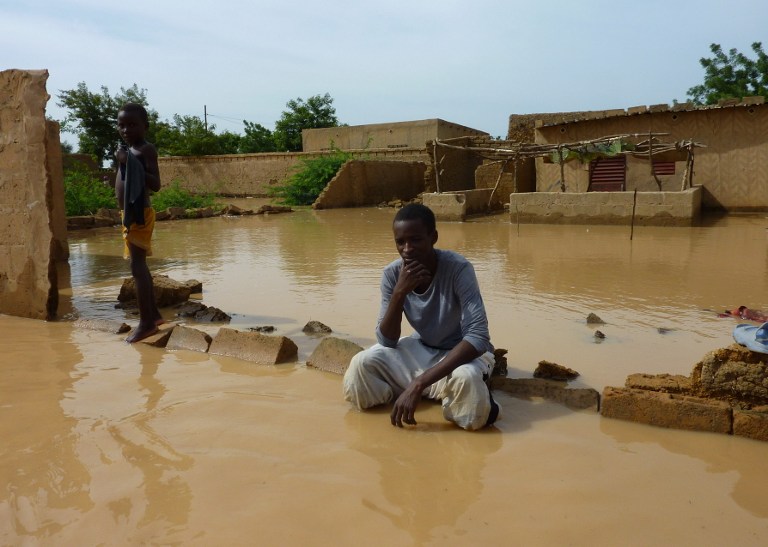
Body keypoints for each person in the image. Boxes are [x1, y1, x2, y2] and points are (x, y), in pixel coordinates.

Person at [343, 203, 500, 431]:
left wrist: (418, 383)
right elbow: (387, 340)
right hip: (423, 347)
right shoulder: (392, 274)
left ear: (433, 237)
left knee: (467, 382)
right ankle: (426, 392)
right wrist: (399, 294)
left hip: (462, 353)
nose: (407, 249)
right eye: (400, 242)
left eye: (415, 240)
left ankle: (481, 403)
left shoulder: (458, 269)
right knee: (361, 364)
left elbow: (478, 337)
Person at [114, 103, 163, 343]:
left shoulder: (145, 149)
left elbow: (156, 184)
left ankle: (146, 325)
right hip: (130, 214)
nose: (126, 129)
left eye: (132, 125)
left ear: (145, 126)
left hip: (139, 213)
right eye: (121, 125)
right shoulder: (125, 149)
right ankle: (153, 315)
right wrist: (123, 160)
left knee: (137, 267)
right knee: (138, 266)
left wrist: (128, 162)